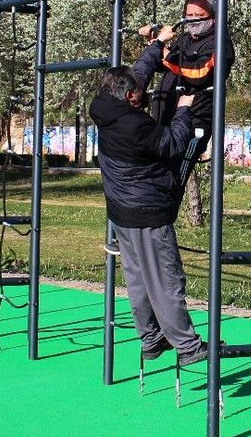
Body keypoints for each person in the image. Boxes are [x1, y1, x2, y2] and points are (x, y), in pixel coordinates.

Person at [88, 67, 208, 365]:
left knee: (138, 279)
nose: (144, 95)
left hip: (121, 214)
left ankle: (151, 339)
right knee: (164, 280)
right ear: (129, 96)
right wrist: (183, 111)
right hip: (147, 212)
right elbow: (173, 144)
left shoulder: (104, 107)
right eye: (139, 92)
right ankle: (188, 346)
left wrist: (156, 43)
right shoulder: (134, 124)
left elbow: (136, 73)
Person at [133, 0, 233, 160]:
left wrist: (165, 54)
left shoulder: (220, 43)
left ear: (213, 17)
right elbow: (165, 65)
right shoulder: (185, 39)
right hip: (166, 119)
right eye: (189, 15)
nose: (193, 19)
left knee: (176, 178)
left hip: (192, 122)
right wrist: (154, 45)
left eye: (199, 15)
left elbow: (200, 72)